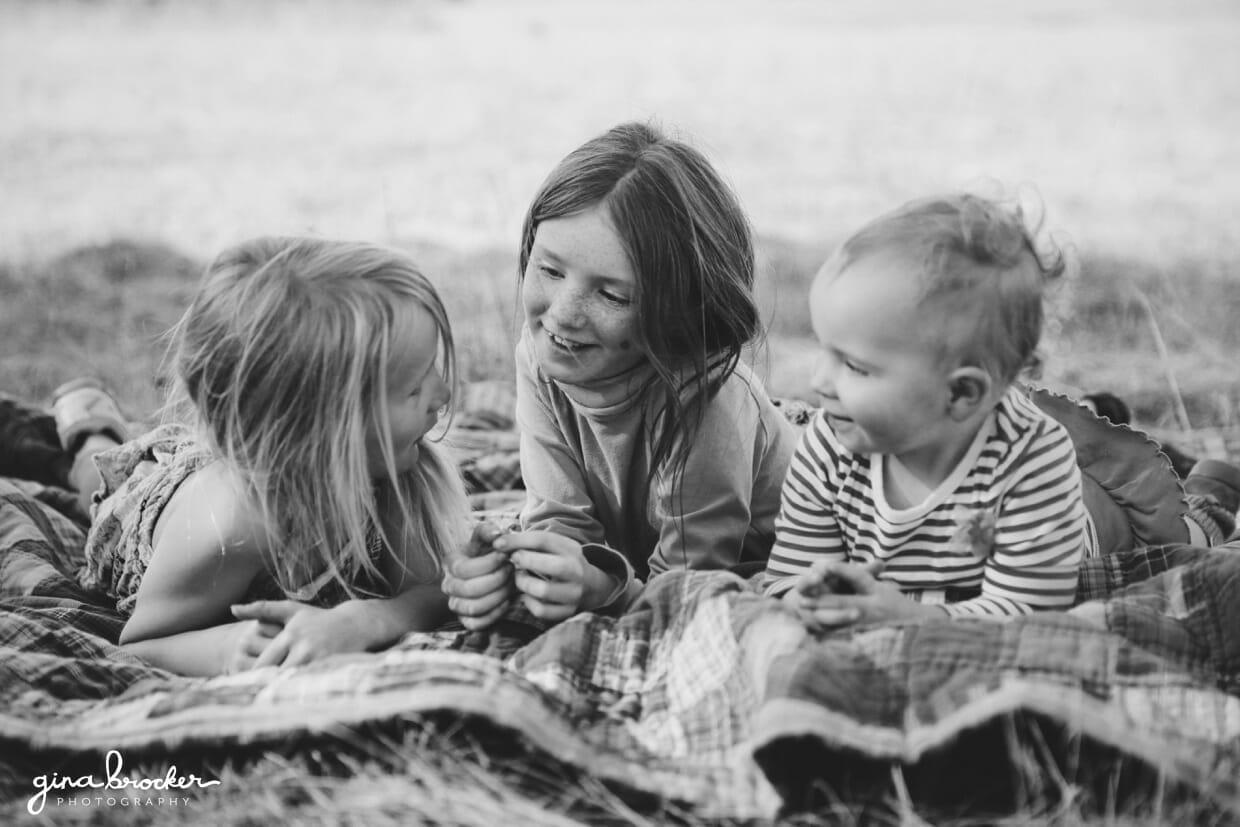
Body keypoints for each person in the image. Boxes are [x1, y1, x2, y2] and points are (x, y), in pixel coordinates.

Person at [53, 237, 470, 675]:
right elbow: (143, 643)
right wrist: (227, 648)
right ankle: (89, 425)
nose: (442, 395)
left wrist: (372, 618)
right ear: (322, 429)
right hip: (147, 505)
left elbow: (432, 588)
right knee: (93, 481)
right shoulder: (229, 528)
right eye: (414, 388)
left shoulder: (389, 466)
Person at [443, 121, 798, 628]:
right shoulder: (543, 356)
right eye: (549, 270)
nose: (563, 314)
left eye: (612, 295)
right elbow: (559, 522)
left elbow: (685, 585)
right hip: (643, 565)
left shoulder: (708, 398)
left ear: (679, 310)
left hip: (748, 563)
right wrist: (519, 570)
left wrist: (599, 588)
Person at [764, 193, 1095, 626]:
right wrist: (809, 597)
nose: (818, 381)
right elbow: (790, 575)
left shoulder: (1032, 462)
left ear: (959, 394)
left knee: (1141, 512)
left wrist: (911, 616)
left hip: (1063, 547)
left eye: (854, 366)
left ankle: (1204, 504)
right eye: (823, 348)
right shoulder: (827, 451)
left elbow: (1029, 613)